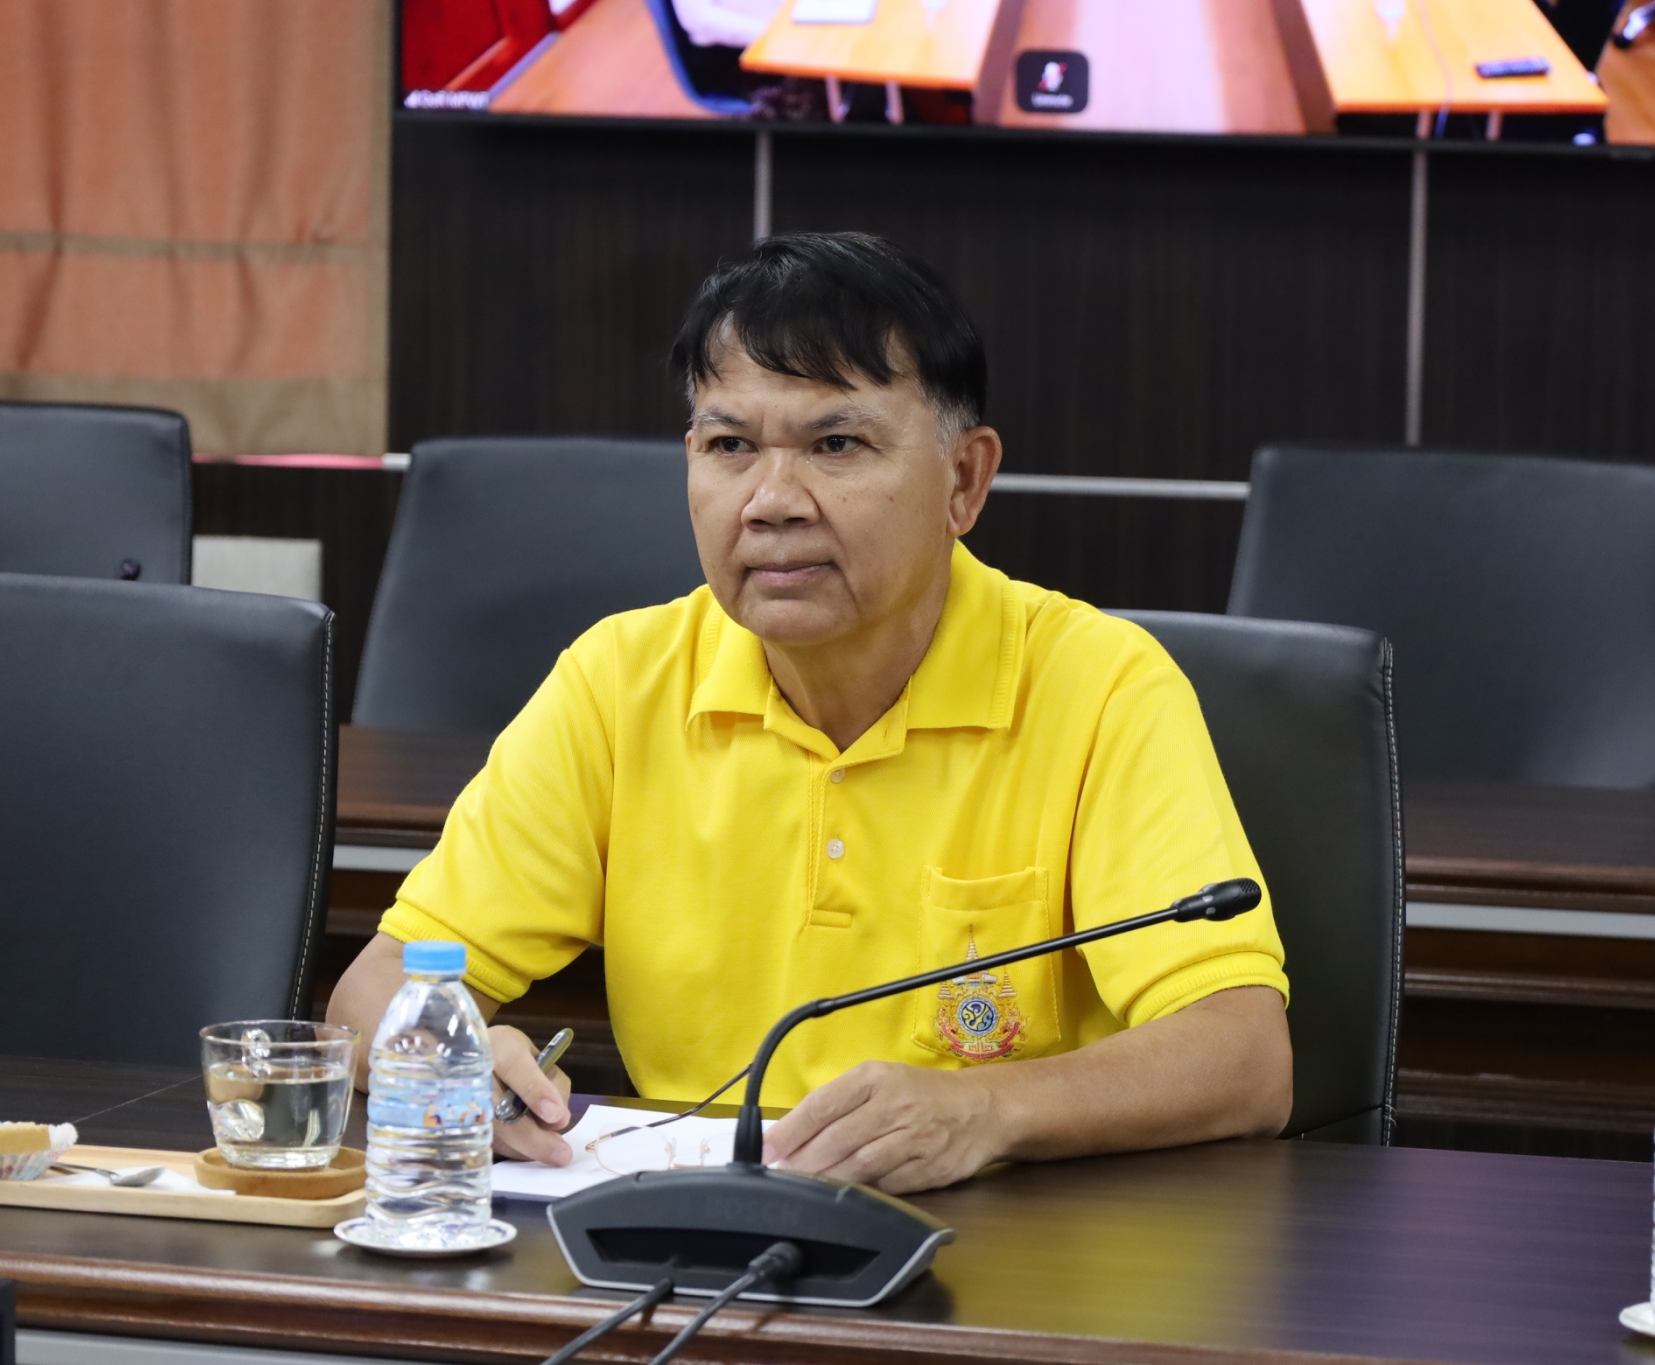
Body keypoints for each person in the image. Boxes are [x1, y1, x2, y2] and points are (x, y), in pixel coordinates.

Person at [330, 232, 1292, 1195]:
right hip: (694, 1234)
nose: (771, 501)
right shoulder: (619, 681)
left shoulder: (1099, 686)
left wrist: (989, 1108)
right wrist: (450, 1059)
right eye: (730, 447)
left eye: (837, 445)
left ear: (964, 480)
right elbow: (373, 993)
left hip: (1005, 1237)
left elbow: (1245, 1056)